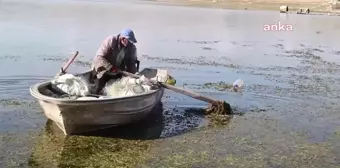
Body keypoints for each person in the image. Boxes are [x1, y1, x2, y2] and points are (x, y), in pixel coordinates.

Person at [91, 28, 139, 94]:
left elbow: (131, 64)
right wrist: (111, 67)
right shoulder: (111, 40)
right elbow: (99, 57)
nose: (130, 44)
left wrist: (135, 75)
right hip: (103, 69)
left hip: (118, 71)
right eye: (129, 41)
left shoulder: (131, 48)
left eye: (131, 42)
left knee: (121, 88)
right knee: (98, 88)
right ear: (123, 39)